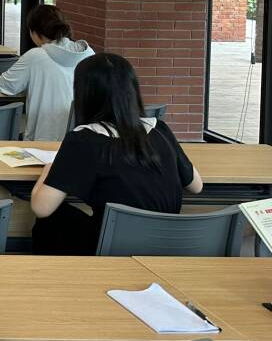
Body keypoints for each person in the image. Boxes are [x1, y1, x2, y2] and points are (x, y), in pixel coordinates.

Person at [30, 53, 202, 255]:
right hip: (166, 247)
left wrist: (49, 171)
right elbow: (196, 185)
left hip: (111, 248)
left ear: (85, 94)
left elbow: (42, 208)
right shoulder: (159, 130)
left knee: (52, 220)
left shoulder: (84, 140)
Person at [0, 5, 95, 141]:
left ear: (35, 33)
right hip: (82, 140)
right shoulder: (90, 54)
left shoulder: (35, 56)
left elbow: (5, 86)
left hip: (41, 141)